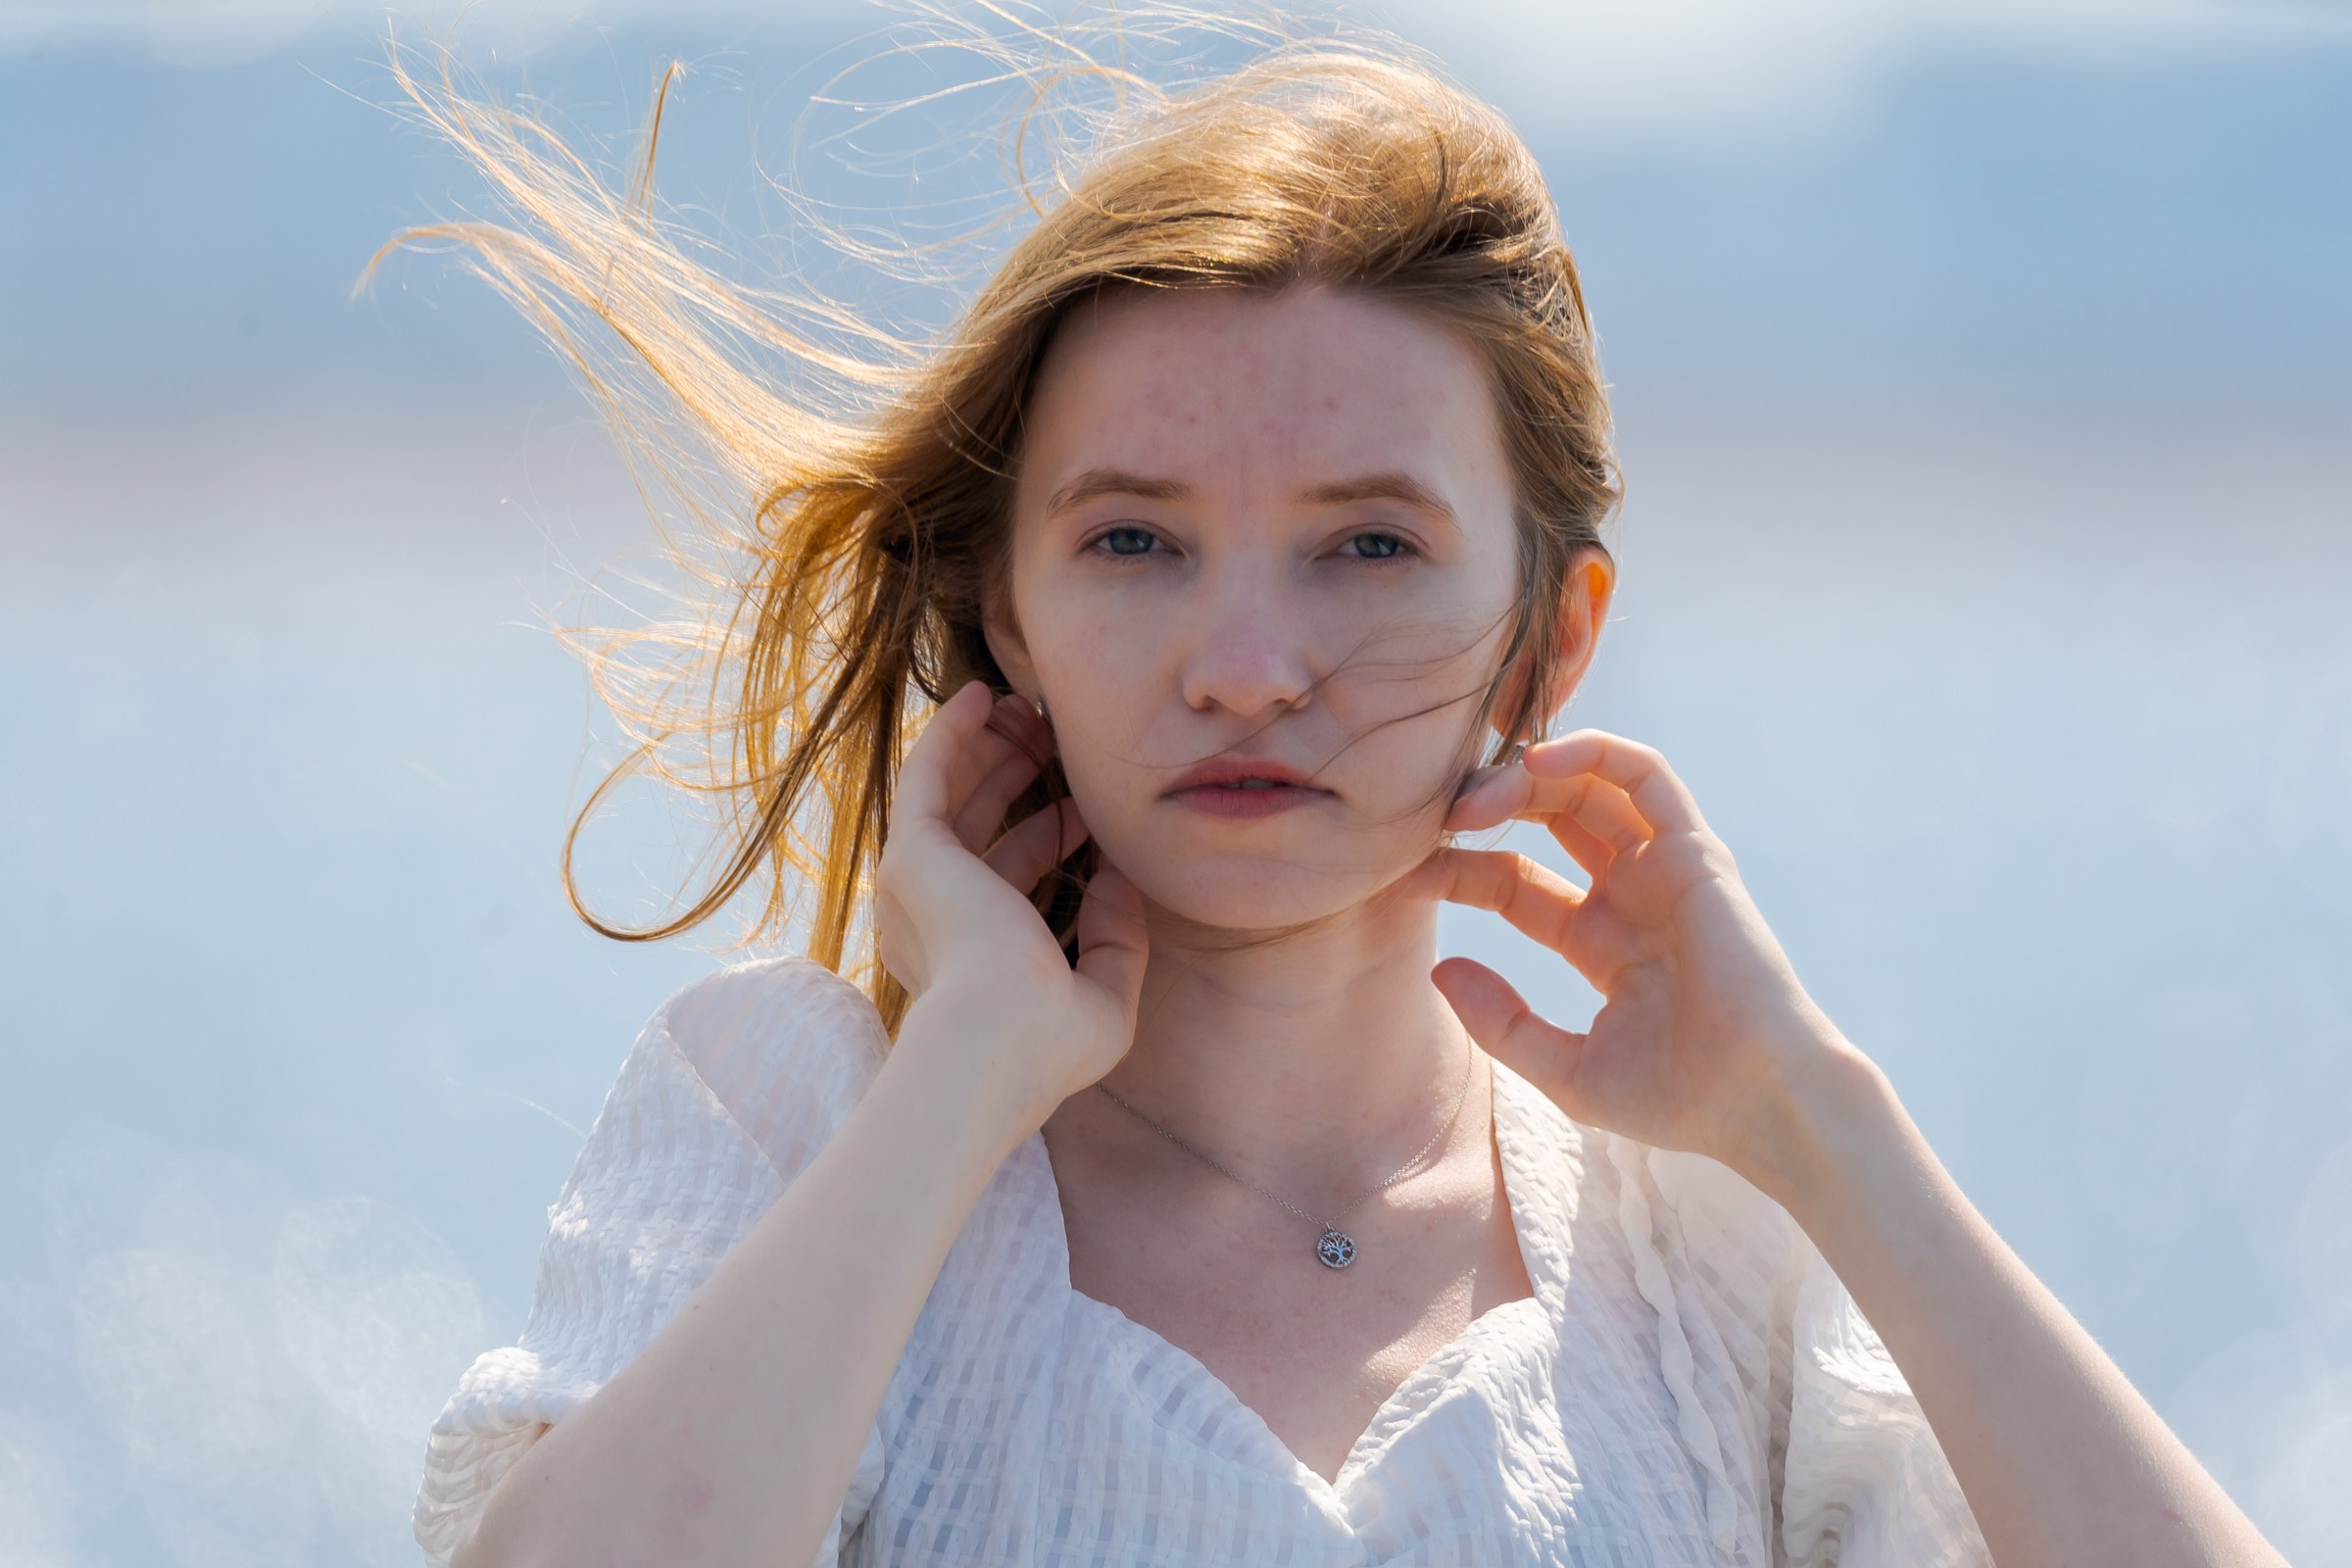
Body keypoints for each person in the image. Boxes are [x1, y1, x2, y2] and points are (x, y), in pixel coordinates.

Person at [396, 20, 2285, 1568]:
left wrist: (1826, 1127)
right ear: (1011, 618)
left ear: (1551, 640)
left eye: (1367, 547)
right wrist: (964, 1073)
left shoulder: (1706, 1245)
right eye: (1133, 539)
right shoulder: (798, 1121)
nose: (1242, 661)